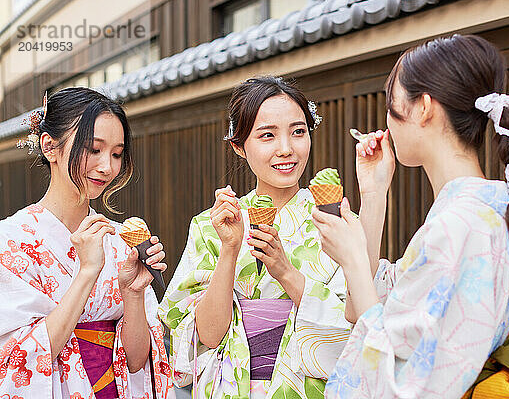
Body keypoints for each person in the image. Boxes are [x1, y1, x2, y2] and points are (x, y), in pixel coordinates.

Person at [311, 35, 509, 398]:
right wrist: (374, 196)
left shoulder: (461, 222)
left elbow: (401, 380)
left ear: (424, 108)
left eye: (392, 107)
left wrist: (353, 260)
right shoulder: (475, 210)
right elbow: (362, 310)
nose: (387, 124)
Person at [158, 76, 351, 398]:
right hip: (233, 385)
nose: (286, 149)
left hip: (311, 385)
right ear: (238, 146)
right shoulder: (212, 225)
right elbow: (207, 334)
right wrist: (230, 250)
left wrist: (285, 272)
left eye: (298, 132)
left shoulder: (337, 220)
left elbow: (357, 319)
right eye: (267, 136)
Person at [0, 88, 173, 398]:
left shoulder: (120, 241)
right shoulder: (10, 241)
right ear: (50, 147)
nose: (107, 166)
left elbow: (135, 363)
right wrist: (87, 272)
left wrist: (133, 293)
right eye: (94, 149)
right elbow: (17, 361)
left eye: (117, 154)